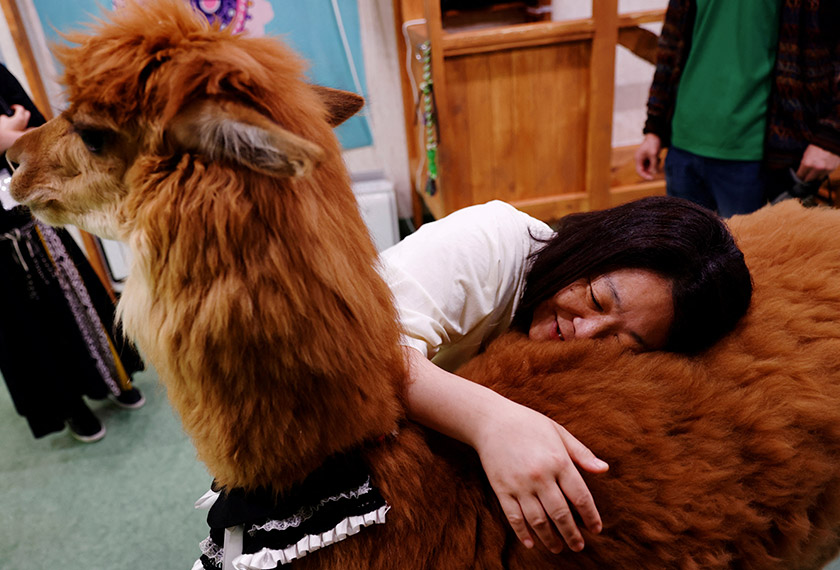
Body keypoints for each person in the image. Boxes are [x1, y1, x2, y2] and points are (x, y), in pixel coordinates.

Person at [380, 197, 752, 553]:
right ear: (591, 248)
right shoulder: (487, 241)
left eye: (622, 340)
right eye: (595, 299)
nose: (586, 331)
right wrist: (491, 421)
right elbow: (366, 357)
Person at [0, 63, 145, 443]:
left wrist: (14, 135)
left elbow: (34, 124)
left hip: (35, 221)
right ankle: (69, 407)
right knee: (26, 326)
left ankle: (114, 377)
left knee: (77, 300)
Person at [634, 0, 840, 217]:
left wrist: (833, 136)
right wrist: (654, 128)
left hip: (755, 158)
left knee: (752, 251)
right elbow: (672, 41)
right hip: (683, 148)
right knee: (683, 250)